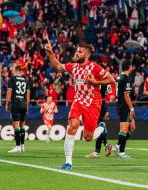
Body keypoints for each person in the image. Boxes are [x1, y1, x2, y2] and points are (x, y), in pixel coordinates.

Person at [45, 42, 115, 170]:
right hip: (78, 101)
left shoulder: (95, 68)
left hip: (93, 103)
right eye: (77, 51)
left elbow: (111, 79)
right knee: (72, 127)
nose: (77, 53)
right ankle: (68, 162)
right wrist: (50, 53)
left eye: (80, 52)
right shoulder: (73, 66)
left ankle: (102, 128)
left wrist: (96, 82)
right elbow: (57, 65)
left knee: (88, 138)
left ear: (87, 55)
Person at [85, 71, 113, 158]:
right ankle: (106, 144)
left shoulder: (99, 82)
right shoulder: (105, 81)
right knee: (99, 126)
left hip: (98, 103)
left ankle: (98, 150)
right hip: (103, 103)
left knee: (99, 126)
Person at [114, 60, 136, 159]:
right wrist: (131, 108)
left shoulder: (119, 76)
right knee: (124, 129)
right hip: (124, 106)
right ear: (129, 67)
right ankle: (121, 152)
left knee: (132, 127)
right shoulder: (125, 78)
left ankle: (118, 145)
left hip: (120, 104)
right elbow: (126, 95)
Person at [6, 66, 31, 153]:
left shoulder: (12, 79)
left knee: (16, 125)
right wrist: (27, 105)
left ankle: (17, 146)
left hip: (16, 104)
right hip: (24, 105)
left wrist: (6, 103)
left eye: (13, 70)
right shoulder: (26, 80)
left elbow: (9, 92)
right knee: (22, 125)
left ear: (16, 71)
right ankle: (22, 146)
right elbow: (28, 94)